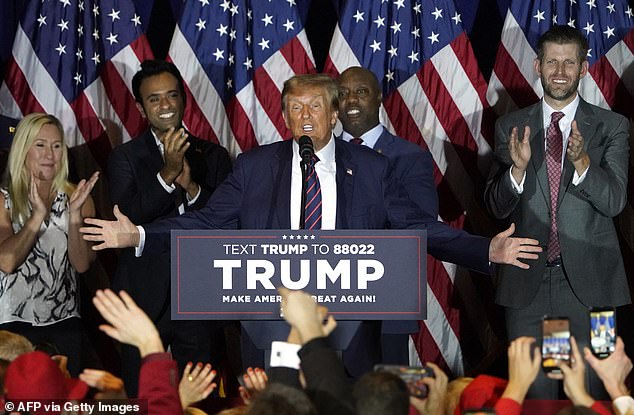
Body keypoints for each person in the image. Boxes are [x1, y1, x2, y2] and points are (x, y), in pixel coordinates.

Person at [81, 74, 541, 376]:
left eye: (314, 108)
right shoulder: (256, 168)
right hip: (272, 327)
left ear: (334, 114)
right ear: (284, 117)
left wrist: (486, 251)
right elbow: (205, 222)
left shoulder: (372, 169)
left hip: (349, 328)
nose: (305, 117)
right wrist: (138, 235)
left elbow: (419, 226)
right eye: (295, 110)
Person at [336, 66, 541, 366]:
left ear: (379, 97)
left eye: (361, 92)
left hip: (383, 308)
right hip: (319, 307)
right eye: (342, 94)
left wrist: (483, 249)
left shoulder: (409, 158)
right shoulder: (315, 158)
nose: (351, 100)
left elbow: (422, 229)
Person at [484, 25, 630, 399]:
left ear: (584, 69)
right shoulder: (510, 126)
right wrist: (516, 171)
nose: (560, 71)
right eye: (552, 62)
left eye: (569, 62)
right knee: (536, 395)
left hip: (594, 290)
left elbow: (614, 201)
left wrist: (582, 162)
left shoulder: (612, 126)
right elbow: (496, 207)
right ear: (537, 66)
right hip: (527, 288)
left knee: (595, 391)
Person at [107, 59, 232, 395]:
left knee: (202, 395)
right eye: (154, 99)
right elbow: (126, 219)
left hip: (199, 294)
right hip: (143, 297)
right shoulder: (125, 158)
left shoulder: (214, 155)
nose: (165, 106)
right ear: (139, 106)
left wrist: (191, 188)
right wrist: (167, 174)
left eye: (171, 96)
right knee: (144, 394)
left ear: (183, 99)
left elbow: (226, 224)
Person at [0, 113, 98, 376]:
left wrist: (75, 214)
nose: (49, 154)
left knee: (64, 402)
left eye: (56, 146)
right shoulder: (3, 200)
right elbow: (6, 262)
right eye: (40, 145)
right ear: (23, 149)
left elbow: (81, 264)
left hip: (64, 324)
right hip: (11, 325)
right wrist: (37, 216)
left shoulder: (78, 197)